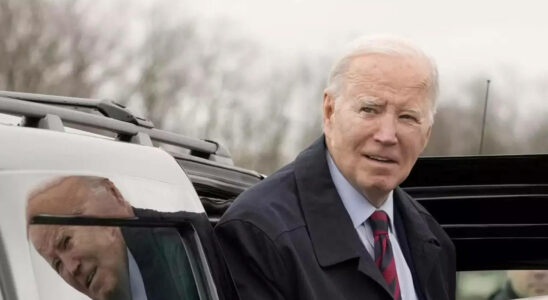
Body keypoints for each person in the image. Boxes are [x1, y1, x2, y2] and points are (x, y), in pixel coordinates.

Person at [215, 36, 456, 300]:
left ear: (427, 134)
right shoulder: (259, 234)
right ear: (330, 111)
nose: (387, 135)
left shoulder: (433, 240)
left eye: (407, 117)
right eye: (370, 109)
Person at [26, 176, 198, 300]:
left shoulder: (191, 250)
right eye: (58, 265)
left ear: (113, 195)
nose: (71, 269)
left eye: (67, 241)